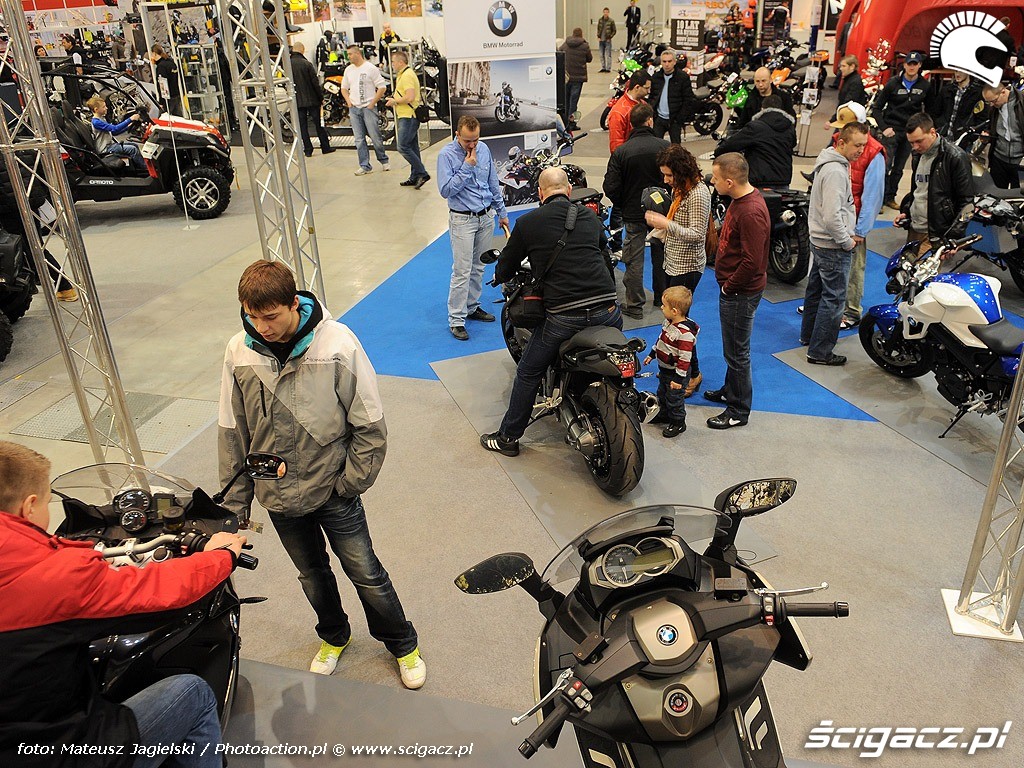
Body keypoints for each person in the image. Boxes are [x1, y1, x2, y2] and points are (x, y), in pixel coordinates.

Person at [218, 260, 425, 689]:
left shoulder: (337, 344)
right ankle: (334, 636)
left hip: (333, 491)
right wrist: (234, 510)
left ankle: (402, 644)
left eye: (271, 316)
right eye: (252, 317)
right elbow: (232, 431)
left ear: (294, 304)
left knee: (366, 572)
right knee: (311, 575)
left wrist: (348, 485)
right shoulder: (239, 350)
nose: (262, 327)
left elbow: (370, 423)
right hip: (277, 495)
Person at [0, 440, 244, 767]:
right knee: (194, 694)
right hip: (57, 753)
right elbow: (159, 593)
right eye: (46, 502)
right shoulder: (53, 579)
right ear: (29, 507)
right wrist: (221, 555)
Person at [480, 168, 620, 457]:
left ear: (540, 193)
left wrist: (501, 274)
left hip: (564, 316)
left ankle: (508, 437)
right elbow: (604, 256)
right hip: (608, 309)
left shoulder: (528, 222)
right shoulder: (591, 218)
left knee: (528, 371)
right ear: (569, 190)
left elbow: (506, 267)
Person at [702, 153, 769, 429]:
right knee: (733, 348)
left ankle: (738, 410)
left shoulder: (750, 211)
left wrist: (729, 287)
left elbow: (752, 261)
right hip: (736, 290)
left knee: (737, 353)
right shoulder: (739, 202)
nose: (712, 182)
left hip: (740, 293)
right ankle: (731, 390)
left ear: (729, 182)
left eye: (716, 178)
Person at [645, 143, 710, 398]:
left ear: (682, 172)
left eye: (669, 175)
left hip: (687, 267)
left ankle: (693, 375)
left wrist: (665, 224)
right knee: (673, 324)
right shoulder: (682, 190)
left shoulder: (698, 195)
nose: (665, 180)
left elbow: (697, 234)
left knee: (681, 327)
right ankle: (673, 367)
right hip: (673, 262)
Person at [800, 122, 868, 367]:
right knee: (835, 299)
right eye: (857, 145)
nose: (861, 150)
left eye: (864, 145)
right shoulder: (836, 172)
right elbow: (831, 216)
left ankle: (809, 337)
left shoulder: (828, 163)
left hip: (820, 242)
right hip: (832, 246)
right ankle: (820, 352)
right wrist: (846, 241)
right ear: (841, 143)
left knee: (816, 293)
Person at [436, 115, 509, 341]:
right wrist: (467, 167)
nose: (472, 145)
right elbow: (446, 190)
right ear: (457, 134)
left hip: (486, 217)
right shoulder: (446, 155)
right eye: (468, 140)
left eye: (476, 139)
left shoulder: (484, 149)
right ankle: (456, 319)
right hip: (462, 220)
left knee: (479, 266)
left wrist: (502, 213)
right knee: (462, 271)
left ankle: (472, 307)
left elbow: (493, 183)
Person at [603, 102, 668, 319]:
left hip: (633, 213)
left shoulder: (622, 152)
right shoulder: (665, 146)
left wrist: (624, 203)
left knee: (633, 259)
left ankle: (634, 305)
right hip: (662, 213)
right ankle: (662, 298)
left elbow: (610, 186)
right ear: (650, 121)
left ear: (631, 124)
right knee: (663, 254)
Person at [828, 102, 886, 331]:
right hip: (834, 218)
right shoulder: (838, 141)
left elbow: (873, 196)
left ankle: (851, 311)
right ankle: (826, 306)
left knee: (853, 269)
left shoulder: (874, 153)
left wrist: (861, 230)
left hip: (853, 223)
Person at [893, 112, 974, 251]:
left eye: (919, 141)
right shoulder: (917, 155)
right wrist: (907, 212)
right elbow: (919, 189)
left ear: (932, 132)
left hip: (936, 234)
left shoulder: (955, 157)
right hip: (914, 228)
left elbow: (967, 203)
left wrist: (953, 239)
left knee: (918, 266)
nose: (915, 147)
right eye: (911, 142)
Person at [871, 50, 930, 209]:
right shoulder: (892, 84)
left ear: (919, 65)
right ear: (904, 65)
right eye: (909, 64)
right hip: (892, 131)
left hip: (910, 134)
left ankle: (890, 198)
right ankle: (879, 201)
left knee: (899, 169)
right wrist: (884, 128)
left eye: (915, 64)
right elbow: (876, 108)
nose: (911, 67)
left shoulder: (925, 86)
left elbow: (930, 110)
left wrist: (923, 130)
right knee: (885, 167)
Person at [643, 286, 698, 438]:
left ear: (674, 311)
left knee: (675, 399)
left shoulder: (684, 334)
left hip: (676, 374)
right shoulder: (668, 323)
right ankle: (665, 414)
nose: (661, 308)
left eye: (664, 305)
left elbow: (685, 358)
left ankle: (678, 422)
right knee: (662, 393)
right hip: (665, 370)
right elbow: (661, 341)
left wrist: (679, 379)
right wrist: (652, 354)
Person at [714, 93, 796, 188]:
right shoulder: (789, 126)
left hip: (760, 180)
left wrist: (718, 151)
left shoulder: (755, 127)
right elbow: (793, 144)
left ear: (762, 109)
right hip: (783, 180)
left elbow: (732, 144)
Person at [341, 44, 390, 176]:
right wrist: (349, 101)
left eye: (350, 54)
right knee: (359, 139)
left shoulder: (370, 68)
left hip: (368, 108)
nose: (349, 57)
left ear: (358, 54)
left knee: (375, 136)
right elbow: (344, 88)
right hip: (354, 109)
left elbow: (382, 87)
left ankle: (383, 159)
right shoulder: (349, 70)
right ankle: (364, 165)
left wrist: (373, 103)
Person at [386, 50, 429, 188]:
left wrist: (395, 101)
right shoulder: (403, 74)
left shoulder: (407, 76)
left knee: (403, 146)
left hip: (408, 116)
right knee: (412, 147)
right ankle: (414, 176)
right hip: (406, 115)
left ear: (400, 62)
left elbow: (410, 97)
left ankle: (422, 173)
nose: (392, 64)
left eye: (393, 62)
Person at [290, 42, 335, 157]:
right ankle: (325, 147)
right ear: (302, 50)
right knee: (319, 124)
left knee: (302, 126)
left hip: (297, 101)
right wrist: (321, 97)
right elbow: (315, 83)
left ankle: (308, 150)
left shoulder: (287, 65)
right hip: (312, 100)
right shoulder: (307, 64)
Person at [86, 95, 146, 171]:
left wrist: (127, 127)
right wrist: (130, 119)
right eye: (104, 107)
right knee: (132, 149)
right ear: (96, 109)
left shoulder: (101, 119)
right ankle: (145, 169)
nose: (106, 108)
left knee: (134, 145)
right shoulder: (96, 122)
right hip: (105, 149)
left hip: (110, 145)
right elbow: (114, 129)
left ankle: (137, 168)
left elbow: (114, 132)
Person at [981, 82, 1024, 189]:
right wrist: (987, 134)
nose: (991, 105)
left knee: (1018, 195)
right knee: (996, 193)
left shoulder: (1021, 102)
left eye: (993, 101)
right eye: (988, 102)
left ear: (1003, 92)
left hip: (1020, 161)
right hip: (998, 159)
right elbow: (990, 125)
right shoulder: (994, 107)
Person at [647, 48, 694, 144]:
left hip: (674, 120)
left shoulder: (682, 77)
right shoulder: (656, 77)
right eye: (664, 61)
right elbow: (652, 96)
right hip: (659, 118)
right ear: (661, 62)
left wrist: (680, 118)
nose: (667, 64)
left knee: (676, 147)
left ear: (674, 62)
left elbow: (688, 99)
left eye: (669, 61)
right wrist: (653, 114)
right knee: (655, 145)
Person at [608, 69, 652, 152]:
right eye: (646, 88)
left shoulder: (643, 104)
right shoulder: (619, 112)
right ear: (637, 87)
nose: (649, 91)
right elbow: (616, 146)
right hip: (630, 156)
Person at [935, 72, 987, 142]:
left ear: (968, 71)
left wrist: (970, 137)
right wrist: (939, 127)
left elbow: (982, 118)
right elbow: (935, 112)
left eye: (960, 71)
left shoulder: (978, 93)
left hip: (963, 139)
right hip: (943, 136)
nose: (957, 74)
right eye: (956, 71)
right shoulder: (946, 90)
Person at [560, 28, 592, 129]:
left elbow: (559, 52)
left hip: (566, 77)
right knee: (573, 102)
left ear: (573, 34)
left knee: (566, 101)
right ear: (581, 34)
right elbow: (589, 59)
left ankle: (565, 123)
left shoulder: (565, 44)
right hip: (578, 78)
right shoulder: (585, 46)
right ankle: (571, 123)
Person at [832, 56, 866, 122]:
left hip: (850, 118)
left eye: (844, 66)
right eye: (841, 66)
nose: (841, 69)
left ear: (852, 66)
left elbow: (847, 103)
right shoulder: (848, 79)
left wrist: (833, 119)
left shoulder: (855, 82)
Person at [150, 44, 182, 115]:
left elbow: (162, 85)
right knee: (177, 117)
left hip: (167, 99)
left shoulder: (161, 67)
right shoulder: (171, 63)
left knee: (164, 118)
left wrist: (161, 102)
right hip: (176, 95)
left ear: (154, 53)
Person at [597, 8, 616, 73]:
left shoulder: (611, 21)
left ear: (608, 13)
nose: (605, 13)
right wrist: (598, 36)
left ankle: (608, 68)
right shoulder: (600, 20)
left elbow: (614, 30)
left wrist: (610, 37)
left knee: (608, 55)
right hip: (601, 40)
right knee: (601, 54)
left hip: (608, 40)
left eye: (607, 12)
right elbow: (598, 29)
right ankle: (603, 67)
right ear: (603, 12)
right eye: (604, 12)